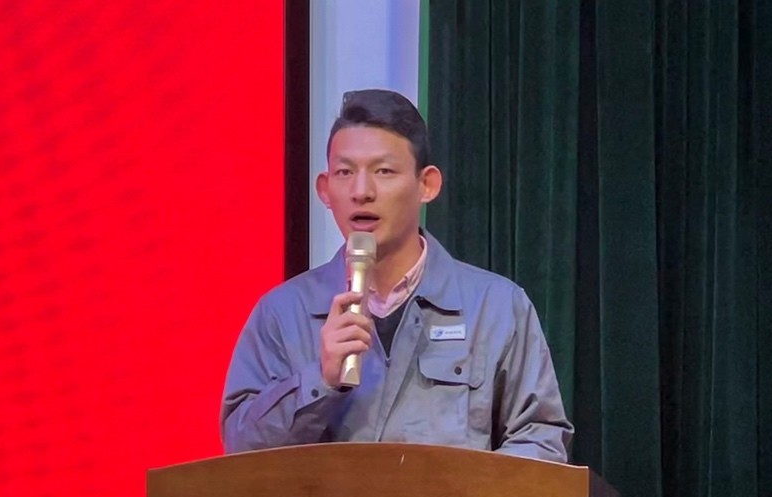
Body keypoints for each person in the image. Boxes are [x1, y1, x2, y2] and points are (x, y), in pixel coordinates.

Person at [221, 89, 573, 461]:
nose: (361, 192)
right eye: (345, 172)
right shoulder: (282, 313)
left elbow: (541, 439)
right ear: (324, 190)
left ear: (427, 185)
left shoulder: (496, 307)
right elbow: (241, 448)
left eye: (383, 171)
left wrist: (466, 496)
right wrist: (319, 380)